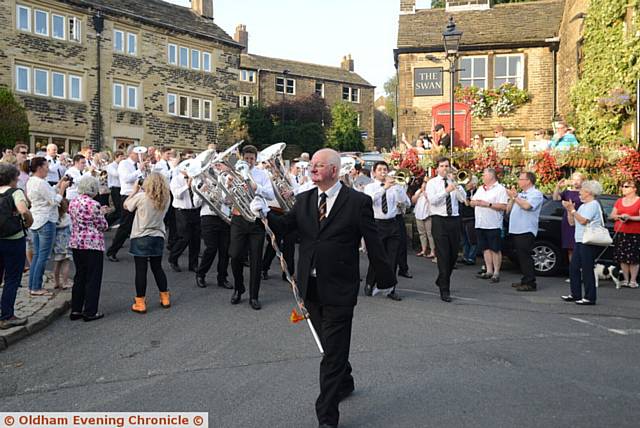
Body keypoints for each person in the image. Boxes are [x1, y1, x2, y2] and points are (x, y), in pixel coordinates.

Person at [254, 148, 396, 428]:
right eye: (311, 166)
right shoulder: (305, 199)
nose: (312, 169)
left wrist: (385, 279)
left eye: (319, 165)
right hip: (310, 286)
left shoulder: (357, 202)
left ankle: (327, 416)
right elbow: (285, 228)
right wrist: (264, 213)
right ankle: (345, 380)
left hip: (340, 287)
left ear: (334, 169)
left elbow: (373, 241)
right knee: (329, 346)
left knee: (331, 353)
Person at [229, 145, 275, 310]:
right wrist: (228, 188)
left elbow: (271, 194)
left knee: (256, 259)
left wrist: (257, 188)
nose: (249, 162)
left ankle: (253, 296)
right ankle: (238, 288)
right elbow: (225, 199)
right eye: (246, 158)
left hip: (257, 220)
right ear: (242, 157)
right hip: (239, 218)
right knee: (235, 256)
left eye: (252, 159)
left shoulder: (261, 175)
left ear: (256, 160)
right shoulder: (233, 173)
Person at [124, 173, 171, 314]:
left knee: (141, 270)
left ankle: (140, 302)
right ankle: (165, 297)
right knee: (157, 268)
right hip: (157, 235)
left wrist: (133, 191)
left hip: (141, 235)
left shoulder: (142, 197)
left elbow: (126, 206)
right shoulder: (166, 199)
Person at [26, 157, 69, 296]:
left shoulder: (32, 181)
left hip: (36, 219)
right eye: (46, 166)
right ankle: (36, 287)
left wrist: (58, 184)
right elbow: (53, 200)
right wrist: (62, 190)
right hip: (46, 220)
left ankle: (32, 285)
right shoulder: (40, 183)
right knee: (43, 257)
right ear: (39, 168)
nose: (48, 169)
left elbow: (48, 192)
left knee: (38, 255)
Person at [68, 176, 108, 321]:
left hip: (77, 242)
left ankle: (76, 309)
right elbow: (102, 225)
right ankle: (90, 311)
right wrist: (103, 214)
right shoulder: (94, 204)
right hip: (92, 244)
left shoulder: (73, 202)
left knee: (80, 276)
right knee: (93, 277)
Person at [363, 161, 404, 301]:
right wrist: (384, 188)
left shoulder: (395, 187)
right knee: (377, 257)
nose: (383, 172)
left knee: (392, 259)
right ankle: (370, 282)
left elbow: (406, 202)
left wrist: (398, 188)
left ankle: (391, 289)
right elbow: (369, 201)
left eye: (385, 169)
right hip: (377, 225)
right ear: (374, 172)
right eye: (379, 169)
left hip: (392, 224)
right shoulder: (370, 187)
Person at [426, 156, 465, 302]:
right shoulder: (432, 183)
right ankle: (445, 290)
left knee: (453, 255)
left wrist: (457, 184)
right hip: (439, 220)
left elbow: (463, 199)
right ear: (437, 168)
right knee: (443, 255)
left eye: (447, 166)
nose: (444, 168)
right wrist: (446, 191)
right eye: (442, 166)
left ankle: (441, 278)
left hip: (454, 220)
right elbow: (433, 201)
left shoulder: (454, 182)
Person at [0, 163, 33, 329]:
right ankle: (6, 316)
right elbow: (23, 210)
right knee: (12, 278)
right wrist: (28, 221)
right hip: (13, 239)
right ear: (13, 178)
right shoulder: (15, 192)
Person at [561, 180, 604, 305]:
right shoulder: (583, 205)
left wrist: (573, 211)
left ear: (589, 192)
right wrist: (570, 211)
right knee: (574, 268)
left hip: (588, 241)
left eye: (582, 191)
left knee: (586, 268)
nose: (580, 193)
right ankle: (575, 294)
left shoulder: (593, 204)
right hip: (579, 240)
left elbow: (584, 221)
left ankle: (590, 297)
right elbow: (572, 223)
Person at [106, 145, 145, 262]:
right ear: (131, 154)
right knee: (125, 225)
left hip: (139, 195)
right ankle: (112, 251)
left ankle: (139, 251)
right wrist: (139, 170)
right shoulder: (124, 164)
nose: (141, 156)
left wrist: (144, 171)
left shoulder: (138, 165)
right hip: (128, 195)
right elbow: (126, 179)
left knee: (140, 225)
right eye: (139, 154)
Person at [507, 172, 544, 292]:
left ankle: (530, 282)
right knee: (520, 256)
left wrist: (515, 197)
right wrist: (512, 198)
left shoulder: (536, 194)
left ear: (528, 181)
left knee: (526, 256)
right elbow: (508, 210)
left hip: (526, 229)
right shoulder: (521, 194)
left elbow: (527, 206)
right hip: (516, 229)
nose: (519, 181)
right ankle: (524, 279)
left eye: (521, 179)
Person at [471, 168, 509, 282]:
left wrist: (488, 204)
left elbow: (504, 206)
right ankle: (489, 270)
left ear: (491, 176)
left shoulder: (500, 189)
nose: (482, 177)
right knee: (485, 248)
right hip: (480, 223)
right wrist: (475, 202)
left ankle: (496, 272)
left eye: (484, 175)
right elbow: (472, 202)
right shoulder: (480, 189)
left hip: (493, 224)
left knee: (495, 249)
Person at [193, 184, 232, 289]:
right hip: (208, 218)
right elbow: (196, 204)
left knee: (225, 250)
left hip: (224, 217)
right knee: (211, 248)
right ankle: (200, 274)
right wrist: (203, 191)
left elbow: (230, 202)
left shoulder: (225, 180)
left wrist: (227, 194)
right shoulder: (200, 182)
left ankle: (222, 278)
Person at [168, 166, 201, 272]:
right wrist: (187, 186)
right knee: (184, 237)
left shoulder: (196, 178)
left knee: (196, 239)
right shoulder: (176, 179)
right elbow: (177, 195)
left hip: (195, 210)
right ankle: (173, 258)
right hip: (182, 211)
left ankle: (193, 264)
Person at [610, 179, 640, 289]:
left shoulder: (639, 201)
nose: (623, 188)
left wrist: (630, 217)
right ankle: (626, 280)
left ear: (634, 189)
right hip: (621, 232)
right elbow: (612, 215)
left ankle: (633, 281)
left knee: (633, 257)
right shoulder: (619, 201)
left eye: (627, 186)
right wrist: (620, 216)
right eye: (623, 186)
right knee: (622, 257)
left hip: (634, 233)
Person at [553, 172, 585, 262]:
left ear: (583, 181)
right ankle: (573, 272)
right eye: (574, 179)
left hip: (580, 221)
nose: (576, 182)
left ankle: (581, 271)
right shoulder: (567, 192)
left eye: (578, 180)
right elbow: (555, 198)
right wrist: (558, 187)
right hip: (568, 222)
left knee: (580, 248)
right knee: (570, 248)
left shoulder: (585, 193)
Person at [154, 147, 178, 251]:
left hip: (172, 192)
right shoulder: (159, 164)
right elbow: (164, 177)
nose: (170, 156)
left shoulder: (170, 164)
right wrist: (173, 168)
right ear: (162, 154)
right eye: (168, 154)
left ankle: (171, 243)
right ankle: (156, 243)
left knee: (173, 219)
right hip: (164, 192)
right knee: (162, 218)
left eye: (170, 154)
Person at [411, 177, 435, 259]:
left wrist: (426, 195)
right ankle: (423, 250)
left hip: (428, 214)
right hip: (418, 214)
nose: (425, 184)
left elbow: (433, 202)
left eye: (426, 182)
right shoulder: (419, 191)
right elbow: (413, 200)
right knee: (422, 233)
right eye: (424, 182)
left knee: (430, 234)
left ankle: (433, 251)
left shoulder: (432, 191)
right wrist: (420, 192)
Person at [52, 199, 72, 290]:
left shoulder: (54, 218)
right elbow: (72, 229)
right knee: (66, 263)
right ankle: (65, 282)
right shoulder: (68, 217)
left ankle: (56, 282)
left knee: (57, 264)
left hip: (57, 245)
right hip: (66, 244)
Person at [460, 175, 479, 265]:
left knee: (472, 239)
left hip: (471, 217)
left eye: (469, 182)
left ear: (474, 184)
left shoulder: (477, 192)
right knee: (464, 240)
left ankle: (471, 257)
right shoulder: (465, 192)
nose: (467, 183)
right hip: (463, 217)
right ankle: (465, 256)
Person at [106, 150, 125, 226]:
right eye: (120, 157)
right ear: (116, 157)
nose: (122, 158)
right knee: (118, 208)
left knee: (121, 208)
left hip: (121, 188)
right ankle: (107, 222)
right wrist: (124, 171)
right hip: (115, 188)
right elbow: (116, 174)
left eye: (123, 156)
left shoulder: (122, 165)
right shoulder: (110, 166)